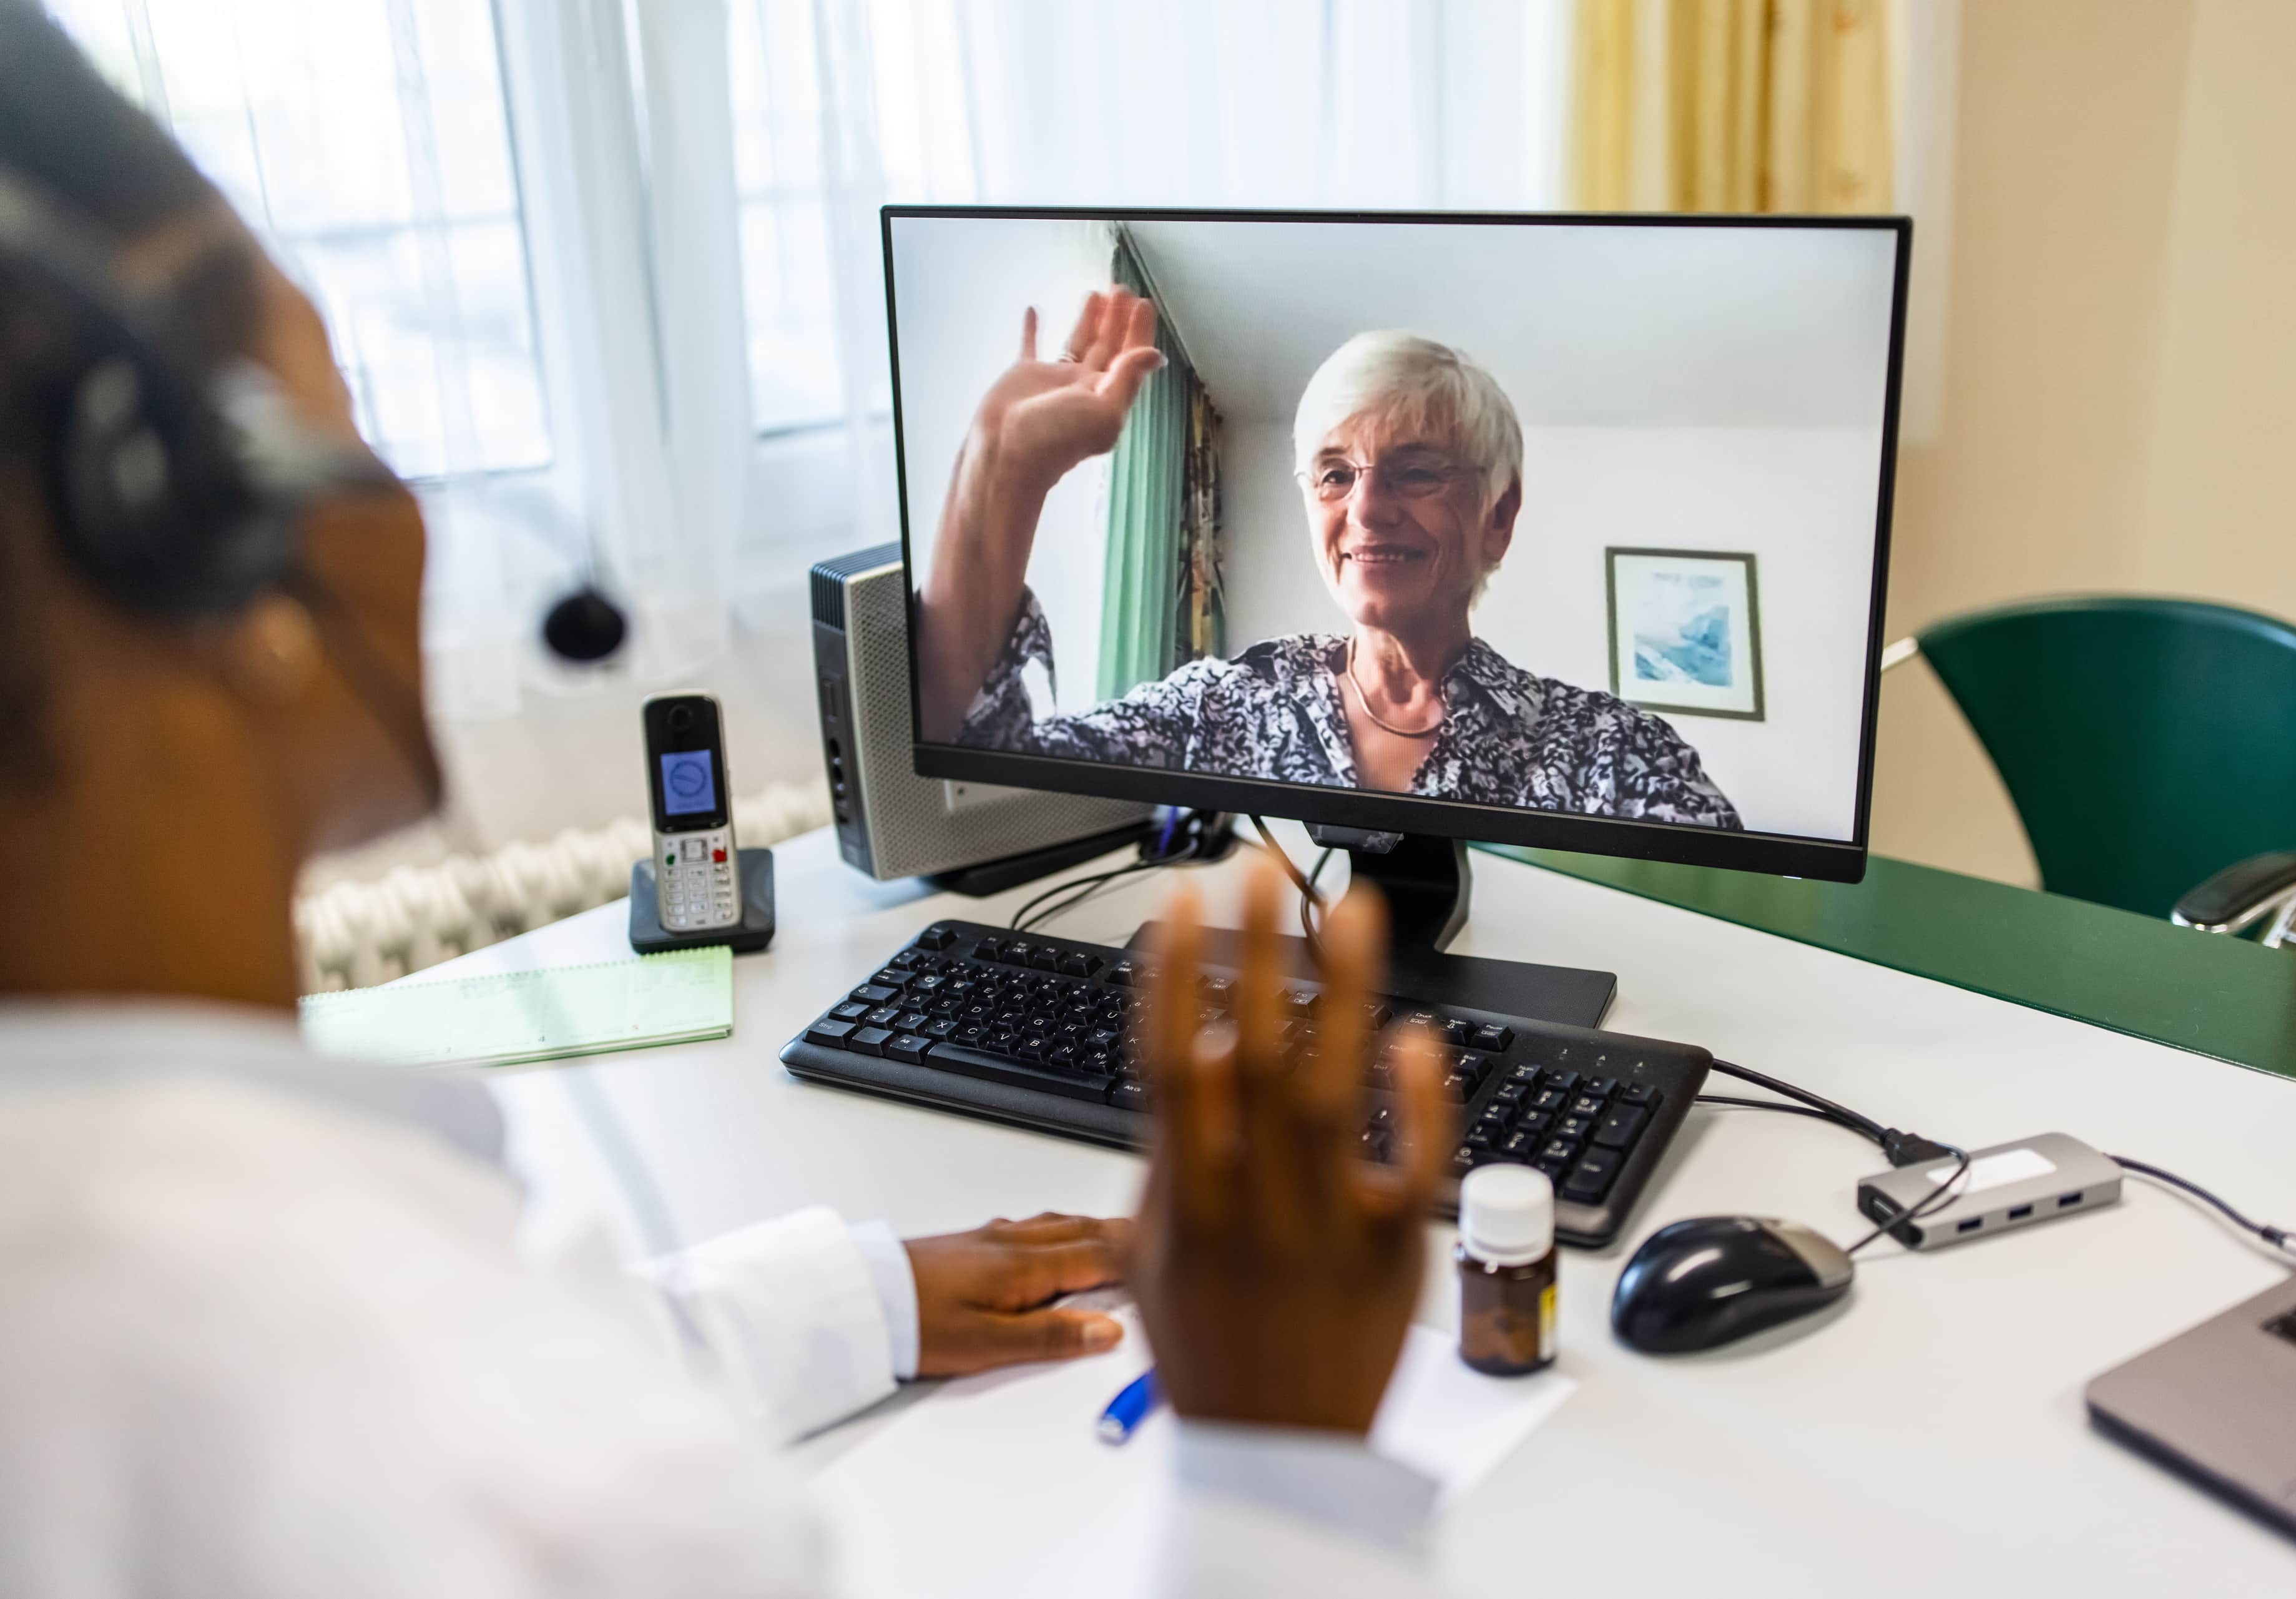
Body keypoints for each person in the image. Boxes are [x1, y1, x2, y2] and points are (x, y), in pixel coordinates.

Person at [0, 9, 1451, 1595]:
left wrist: (844, 1303)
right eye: (339, 409)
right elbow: (995, 726)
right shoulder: (471, 1471)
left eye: (1420, 477)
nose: (396, 495)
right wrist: (1279, 1465)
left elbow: (462, 1396)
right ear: (195, 522)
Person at [915, 288, 1742, 826]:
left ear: (1499, 516)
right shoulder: (1225, 706)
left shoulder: (1610, 753)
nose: (1367, 510)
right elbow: (984, 792)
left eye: (1416, 471)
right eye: (1336, 474)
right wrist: (1003, 473)